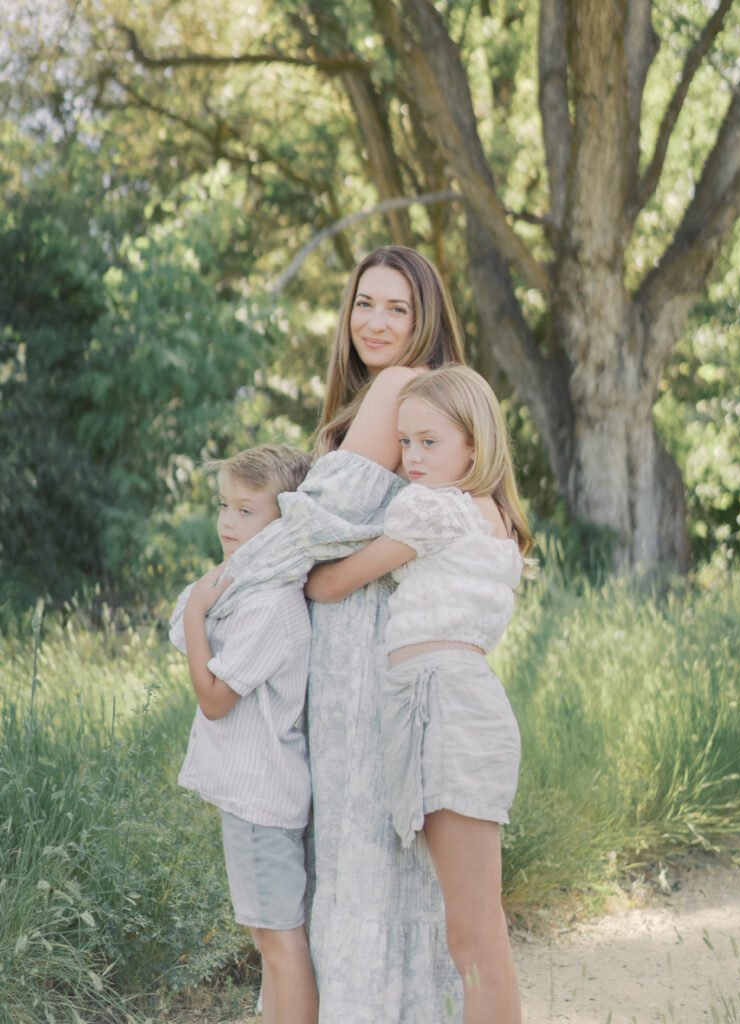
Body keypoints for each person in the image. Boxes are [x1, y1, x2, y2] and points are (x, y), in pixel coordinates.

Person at [202, 246, 466, 1022]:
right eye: (364, 303)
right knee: (367, 862)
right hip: (357, 646)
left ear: (426, 321)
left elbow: (310, 532)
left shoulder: (396, 387)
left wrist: (218, 589)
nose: (375, 322)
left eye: (398, 308)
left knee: (355, 859)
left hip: (360, 651)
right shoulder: (397, 400)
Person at [307, 365, 533, 1024]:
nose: (410, 459)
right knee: (473, 929)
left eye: (429, 442)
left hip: (444, 707)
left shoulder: (434, 509)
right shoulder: (489, 518)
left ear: (475, 443)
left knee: (472, 935)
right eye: (404, 442)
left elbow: (331, 584)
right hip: (453, 704)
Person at [168, 444, 318, 1024]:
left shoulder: (270, 605)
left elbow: (213, 700)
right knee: (269, 940)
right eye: (224, 506)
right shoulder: (253, 590)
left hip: (263, 800)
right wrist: (202, 612)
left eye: (247, 510)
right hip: (259, 797)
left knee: (280, 944)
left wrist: (194, 616)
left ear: (283, 522)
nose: (228, 522)